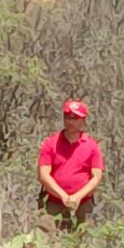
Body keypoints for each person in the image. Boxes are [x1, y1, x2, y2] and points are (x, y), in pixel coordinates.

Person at [37, 99, 104, 231]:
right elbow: (43, 175)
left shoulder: (92, 146)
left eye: (75, 118)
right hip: (54, 202)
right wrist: (63, 196)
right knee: (48, 240)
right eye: (67, 117)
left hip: (84, 204)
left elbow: (96, 177)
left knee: (81, 242)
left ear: (83, 120)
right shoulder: (51, 143)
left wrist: (77, 197)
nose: (70, 122)